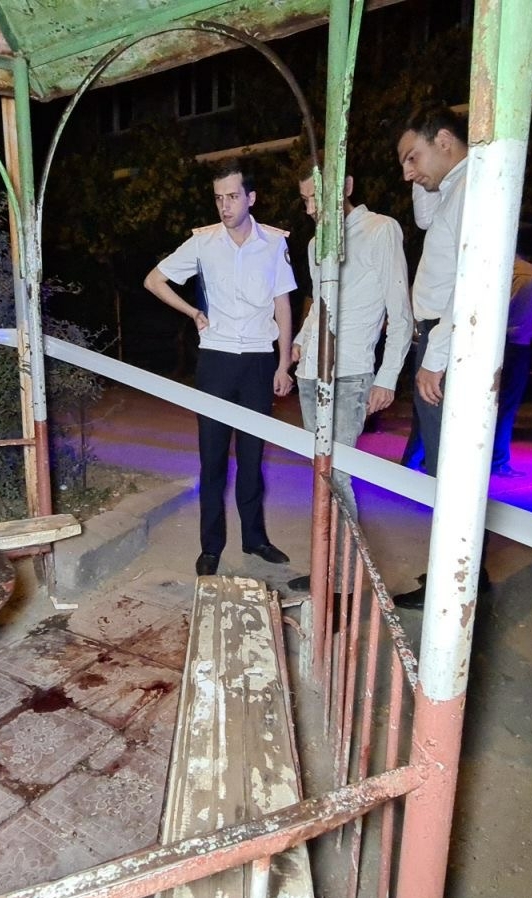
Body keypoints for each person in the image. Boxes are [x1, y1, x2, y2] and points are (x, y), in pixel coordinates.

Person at [145, 161, 296, 577]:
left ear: (251, 198)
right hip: (216, 360)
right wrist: (192, 312)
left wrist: (283, 364)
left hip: (259, 361)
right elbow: (154, 281)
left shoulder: (273, 243)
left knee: (252, 457)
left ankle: (255, 539)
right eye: (218, 198)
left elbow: (283, 305)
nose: (224, 206)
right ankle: (211, 546)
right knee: (212, 460)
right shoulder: (203, 243)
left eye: (232, 196)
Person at [288, 172, 413, 592]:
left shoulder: (380, 230)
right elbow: (319, 304)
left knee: (337, 476)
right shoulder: (315, 244)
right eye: (305, 199)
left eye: (316, 198)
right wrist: (302, 340)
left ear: (345, 186)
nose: (310, 209)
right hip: (311, 373)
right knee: (321, 474)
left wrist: (387, 378)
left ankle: (343, 583)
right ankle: (326, 571)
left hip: (351, 372)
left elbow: (400, 312)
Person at [397, 108, 468, 478]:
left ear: (443, 140)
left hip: (446, 337)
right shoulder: (452, 190)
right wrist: (420, 172)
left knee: (448, 462)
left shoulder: (469, 189)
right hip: (438, 335)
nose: (407, 173)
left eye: (412, 158)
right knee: (439, 454)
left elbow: (469, 283)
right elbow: (424, 219)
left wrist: (435, 356)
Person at [492, 258, 532, 477]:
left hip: (487, 343)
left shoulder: (492, 266)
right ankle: (498, 460)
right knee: (506, 405)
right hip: (517, 345)